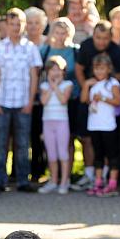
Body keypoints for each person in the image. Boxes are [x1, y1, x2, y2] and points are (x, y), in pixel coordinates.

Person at [0, 8, 42, 192]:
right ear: (6, 25)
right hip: (3, 102)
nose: (15, 27)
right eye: (12, 24)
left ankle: (22, 180)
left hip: (22, 103)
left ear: (23, 25)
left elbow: (34, 76)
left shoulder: (30, 49)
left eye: (18, 24)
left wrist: (30, 101)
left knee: (22, 144)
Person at [73, 20, 120, 191]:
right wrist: (87, 87)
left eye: (105, 38)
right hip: (89, 99)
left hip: (108, 111)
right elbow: (79, 68)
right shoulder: (86, 46)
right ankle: (91, 175)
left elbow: (118, 77)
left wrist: (105, 91)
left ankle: (108, 177)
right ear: (93, 36)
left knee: (109, 145)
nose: (101, 42)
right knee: (87, 139)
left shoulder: (116, 51)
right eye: (98, 38)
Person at [83, 53, 120, 197]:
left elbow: (118, 101)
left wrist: (103, 98)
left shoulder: (113, 83)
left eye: (102, 68)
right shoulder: (93, 84)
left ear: (108, 69)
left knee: (111, 155)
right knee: (98, 155)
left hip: (108, 125)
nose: (99, 72)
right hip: (94, 125)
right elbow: (84, 100)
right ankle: (98, 182)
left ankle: (112, 183)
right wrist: (86, 85)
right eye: (96, 69)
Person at [38, 56, 74, 194]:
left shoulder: (67, 85)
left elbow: (63, 99)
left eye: (58, 69)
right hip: (48, 122)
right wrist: (51, 87)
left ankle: (64, 181)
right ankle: (53, 180)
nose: (55, 72)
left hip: (62, 122)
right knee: (51, 154)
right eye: (52, 70)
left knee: (63, 152)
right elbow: (44, 101)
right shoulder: (44, 86)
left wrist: (55, 86)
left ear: (63, 71)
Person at [25, 7, 48, 183]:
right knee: (25, 135)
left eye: (37, 23)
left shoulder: (48, 44)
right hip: (24, 97)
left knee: (39, 136)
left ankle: (39, 170)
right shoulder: (21, 43)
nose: (33, 26)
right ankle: (21, 170)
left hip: (44, 98)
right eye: (30, 22)